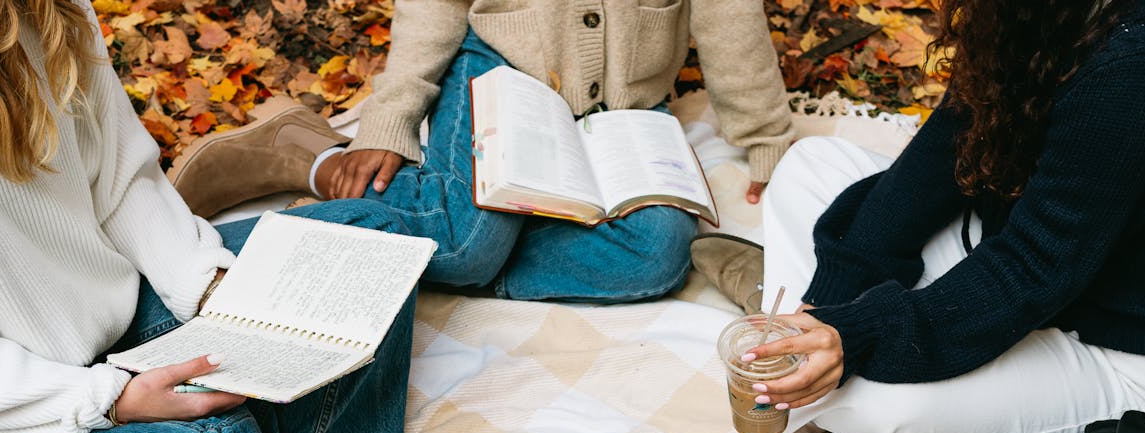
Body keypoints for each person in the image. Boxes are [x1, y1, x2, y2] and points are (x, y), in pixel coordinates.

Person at [0, 0, 424, 433]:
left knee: (374, 244)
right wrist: (111, 400)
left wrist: (209, 285)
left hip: (121, 311)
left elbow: (122, 181)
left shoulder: (48, 12)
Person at [722, 0, 1145, 433]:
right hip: (1021, 265)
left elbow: (1034, 267)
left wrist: (858, 334)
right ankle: (807, 332)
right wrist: (830, 300)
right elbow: (949, 145)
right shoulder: (1037, 14)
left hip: (1117, 351)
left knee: (873, 407)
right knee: (810, 166)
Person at [168, 0, 794, 304]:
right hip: (501, 73)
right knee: (465, 248)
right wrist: (390, 119)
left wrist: (766, 137)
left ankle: (446, 233)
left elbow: (729, 21)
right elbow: (431, 12)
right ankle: (299, 172)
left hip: (622, 113)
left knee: (656, 255)